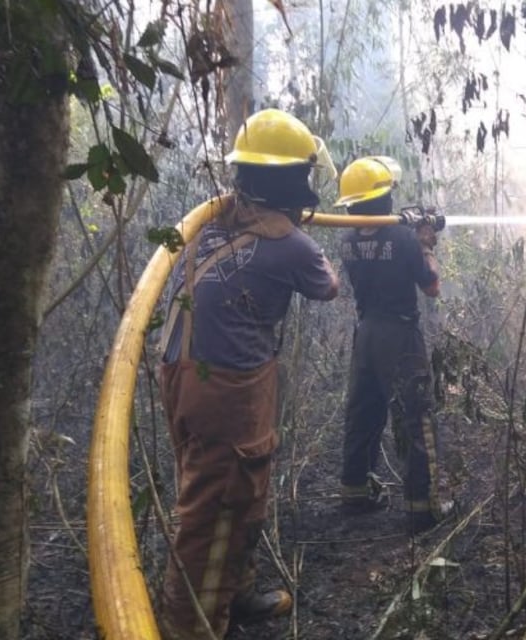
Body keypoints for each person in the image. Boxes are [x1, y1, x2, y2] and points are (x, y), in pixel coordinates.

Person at [156, 108, 339, 640]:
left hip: (183, 373)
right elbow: (327, 286)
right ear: (292, 180)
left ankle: (235, 593)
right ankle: (191, 628)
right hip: (228, 391)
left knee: (234, 495)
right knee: (214, 510)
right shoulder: (293, 245)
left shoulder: (214, 220)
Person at [335, 155, 453, 535]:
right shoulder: (404, 238)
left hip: (365, 333)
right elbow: (431, 288)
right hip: (399, 336)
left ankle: (355, 492)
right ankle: (424, 507)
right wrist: (427, 245)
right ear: (384, 198)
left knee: (363, 413)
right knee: (416, 417)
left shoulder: (347, 239)